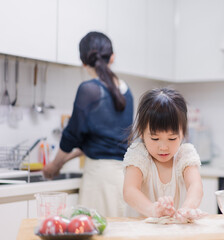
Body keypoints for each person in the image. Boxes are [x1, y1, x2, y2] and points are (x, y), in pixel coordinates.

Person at [42, 31, 134, 217]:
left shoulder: (89, 90)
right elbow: (90, 142)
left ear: (83, 61)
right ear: (112, 57)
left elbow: (71, 136)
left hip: (100, 180)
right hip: (123, 178)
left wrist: (54, 165)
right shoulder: (126, 92)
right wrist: (63, 162)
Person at [123, 87, 204, 222]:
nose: (163, 147)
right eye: (155, 139)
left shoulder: (184, 155)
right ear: (141, 132)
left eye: (172, 138)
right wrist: (153, 210)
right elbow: (130, 191)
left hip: (176, 231)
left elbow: (195, 186)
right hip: (141, 232)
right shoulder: (139, 154)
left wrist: (187, 208)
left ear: (183, 133)